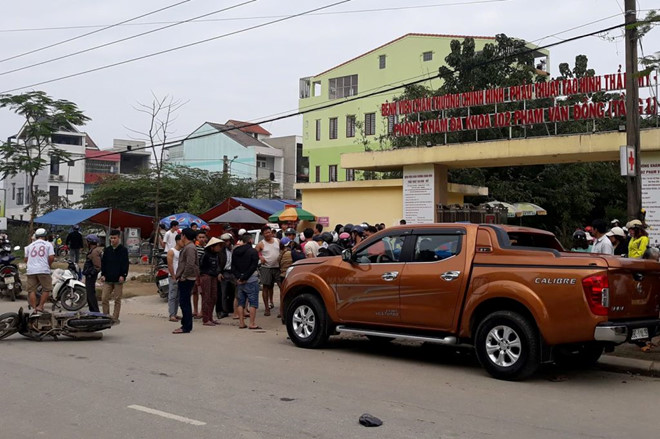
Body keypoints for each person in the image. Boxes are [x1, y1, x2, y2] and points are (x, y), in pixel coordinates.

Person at [173, 228, 199, 334]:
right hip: (186, 277)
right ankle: (185, 324)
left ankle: (186, 326)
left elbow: (190, 264)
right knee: (184, 302)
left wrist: (183, 276)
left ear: (184, 236)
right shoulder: (188, 247)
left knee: (185, 303)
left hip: (187, 278)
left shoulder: (190, 248)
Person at [232, 233, 260, 330]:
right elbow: (253, 266)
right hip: (251, 279)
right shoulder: (253, 251)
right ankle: (252, 323)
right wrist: (245, 277)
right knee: (253, 302)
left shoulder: (235, 251)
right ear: (250, 240)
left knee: (241, 302)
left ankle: (241, 322)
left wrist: (239, 277)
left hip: (239, 280)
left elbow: (233, 266)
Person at [100, 229, 129, 323]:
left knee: (117, 299)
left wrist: (123, 275)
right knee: (104, 298)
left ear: (119, 238)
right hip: (108, 278)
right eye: (111, 238)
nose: (112, 240)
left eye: (114, 238)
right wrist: (103, 274)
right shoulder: (107, 250)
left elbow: (125, 264)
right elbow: (103, 263)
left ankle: (115, 317)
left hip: (118, 278)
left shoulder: (123, 250)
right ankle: (106, 316)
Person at [24, 228, 55, 313]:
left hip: (31, 270)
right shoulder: (48, 245)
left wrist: (31, 265)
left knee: (31, 290)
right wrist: (48, 265)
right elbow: (51, 257)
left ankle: (34, 309)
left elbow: (26, 259)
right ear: (45, 236)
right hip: (43, 269)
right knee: (46, 288)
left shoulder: (29, 246)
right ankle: (40, 306)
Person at [255, 226, 280, 315]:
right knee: (266, 287)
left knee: (280, 287)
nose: (268, 234)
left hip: (277, 267)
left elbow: (283, 249)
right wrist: (260, 256)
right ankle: (266, 308)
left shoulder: (277, 241)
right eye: (266, 233)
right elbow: (255, 252)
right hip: (266, 268)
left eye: (269, 232)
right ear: (263, 234)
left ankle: (281, 309)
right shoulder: (261, 243)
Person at [199, 237, 223, 326]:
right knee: (206, 297)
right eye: (218, 246)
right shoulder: (205, 254)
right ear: (212, 246)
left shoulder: (216, 255)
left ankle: (210, 317)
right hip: (206, 276)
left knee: (213, 297)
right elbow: (200, 266)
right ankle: (206, 319)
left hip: (214, 276)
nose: (219, 247)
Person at [82, 234, 102, 312]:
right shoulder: (93, 250)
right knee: (89, 294)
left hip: (91, 276)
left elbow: (97, 266)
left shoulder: (94, 252)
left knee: (91, 294)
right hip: (89, 274)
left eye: (87, 241)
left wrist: (91, 273)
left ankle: (95, 311)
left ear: (90, 242)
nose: (86, 243)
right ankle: (92, 311)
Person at [217, 233, 235, 319]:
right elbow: (217, 263)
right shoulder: (219, 251)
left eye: (227, 241)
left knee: (232, 292)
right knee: (223, 293)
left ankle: (230, 308)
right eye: (224, 241)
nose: (226, 242)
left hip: (232, 272)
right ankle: (223, 310)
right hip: (224, 272)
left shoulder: (233, 249)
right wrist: (219, 273)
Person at [167, 234, 183, 322]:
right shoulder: (171, 251)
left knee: (178, 296)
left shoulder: (182, 251)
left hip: (180, 276)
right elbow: (170, 265)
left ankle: (175, 313)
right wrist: (173, 276)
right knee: (172, 296)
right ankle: (172, 314)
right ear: (177, 241)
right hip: (173, 276)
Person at [192, 230, 208, 319]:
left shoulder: (207, 248)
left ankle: (202, 311)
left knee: (203, 292)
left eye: (203, 237)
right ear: (196, 238)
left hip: (203, 273)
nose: (202, 239)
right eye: (200, 237)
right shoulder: (194, 248)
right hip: (195, 273)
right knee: (195, 292)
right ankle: (195, 310)